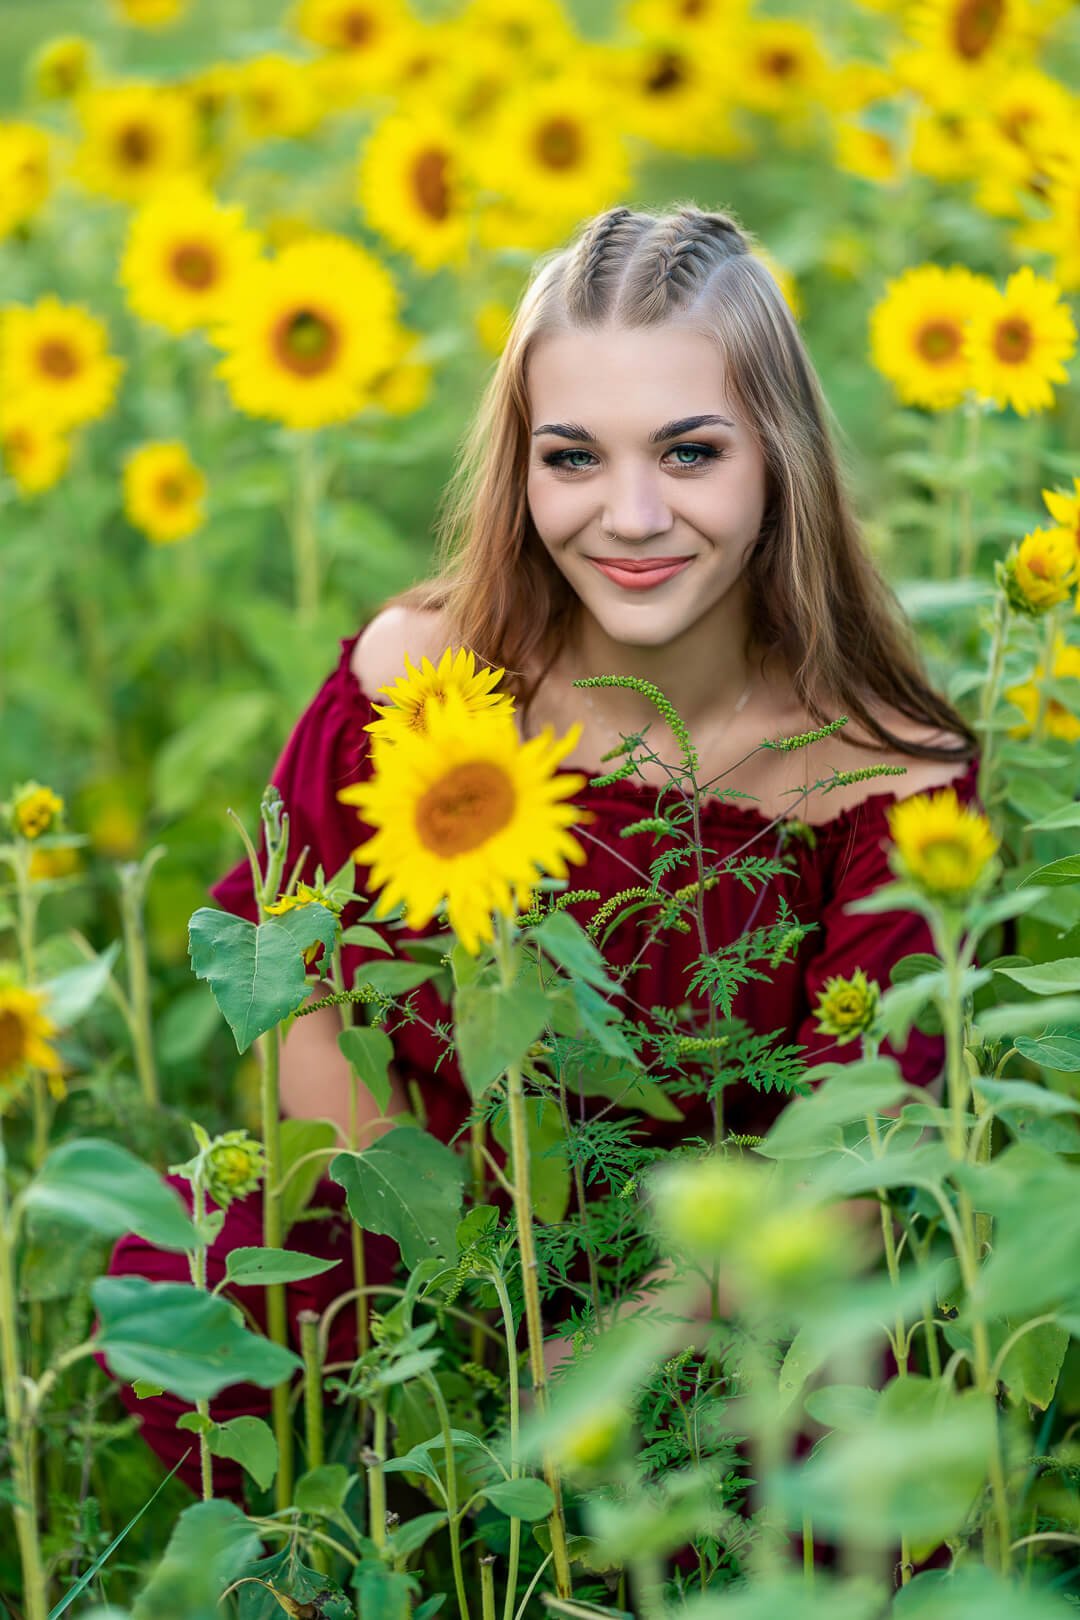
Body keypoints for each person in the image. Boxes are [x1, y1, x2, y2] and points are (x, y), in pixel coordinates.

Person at [100, 202, 981, 1501]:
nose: (629, 517)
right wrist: (451, 1291)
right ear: (522, 469)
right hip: (423, 1225)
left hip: (719, 1280)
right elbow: (288, 969)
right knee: (212, 1285)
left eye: (689, 454)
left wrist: (629, 1343)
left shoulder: (887, 774)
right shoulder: (425, 676)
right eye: (573, 458)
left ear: (779, 461)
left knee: (811, 1457)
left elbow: (857, 1158)